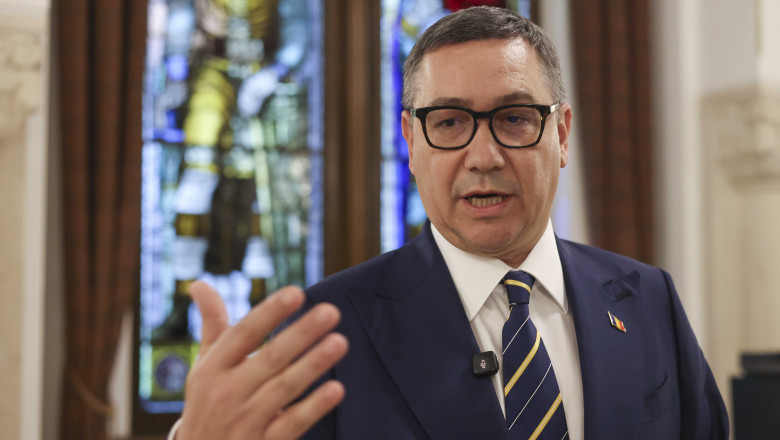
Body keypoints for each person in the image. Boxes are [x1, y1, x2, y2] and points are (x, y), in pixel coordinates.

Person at [171, 6, 729, 439]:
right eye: (449, 122)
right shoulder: (326, 330)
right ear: (411, 143)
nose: (483, 156)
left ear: (561, 135)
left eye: (515, 118)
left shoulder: (648, 300)